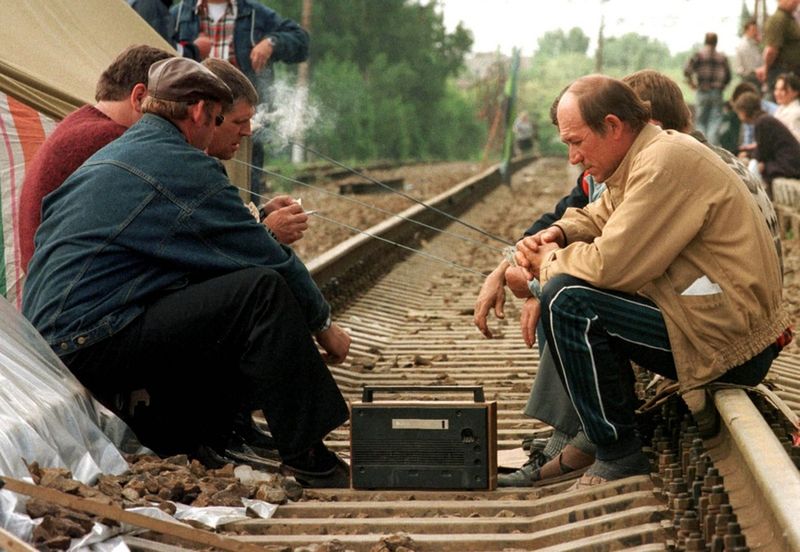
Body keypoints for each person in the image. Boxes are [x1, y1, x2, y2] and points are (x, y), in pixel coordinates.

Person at [21, 57, 351, 487]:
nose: (217, 131)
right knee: (260, 291)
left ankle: (204, 434)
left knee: (225, 289)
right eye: (217, 119)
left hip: (60, 334)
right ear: (197, 112)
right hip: (86, 338)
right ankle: (308, 455)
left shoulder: (130, 149)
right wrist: (324, 325)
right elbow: (269, 257)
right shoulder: (179, 163)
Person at [484, 70, 786, 487]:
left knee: (569, 299)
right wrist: (560, 232)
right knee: (566, 288)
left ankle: (616, 451)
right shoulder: (645, 156)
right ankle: (588, 438)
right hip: (711, 322)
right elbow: (600, 214)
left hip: (728, 342)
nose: (573, 157)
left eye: (576, 142)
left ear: (612, 126)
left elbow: (611, 266)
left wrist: (548, 262)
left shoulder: (664, 162)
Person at [18, 45, 173, 274]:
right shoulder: (110, 139)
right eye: (172, 105)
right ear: (140, 97)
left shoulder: (81, 123)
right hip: (74, 291)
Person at [170, 0, 310, 196]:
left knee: (245, 188)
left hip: (241, 120)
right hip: (194, 119)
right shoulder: (178, 14)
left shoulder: (254, 13)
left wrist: (271, 43)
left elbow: (301, 41)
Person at [203, 58, 308, 245]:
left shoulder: (203, 163)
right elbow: (217, 251)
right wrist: (269, 233)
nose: (248, 132)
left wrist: (262, 213)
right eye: (238, 122)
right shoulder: (196, 170)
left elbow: (224, 229)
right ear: (208, 115)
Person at [733, 90, 800, 196]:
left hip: (789, 164)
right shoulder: (764, 120)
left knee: (759, 168)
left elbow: (762, 153)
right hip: (789, 161)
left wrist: (748, 154)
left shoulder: (762, 122)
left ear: (744, 111)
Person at [684, 32, 732, 145]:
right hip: (717, 93)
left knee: (701, 121)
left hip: (702, 91)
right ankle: (713, 149)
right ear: (716, 42)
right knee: (715, 122)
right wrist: (722, 85)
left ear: (705, 41)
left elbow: (686, 70)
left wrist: (692, 82)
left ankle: (701, 146)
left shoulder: (699, 55)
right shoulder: (722, 57)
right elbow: (728, 76)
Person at [756, 0, 800, 100]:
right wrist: (766, 69)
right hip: (782, 71)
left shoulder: (790, 19)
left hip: (792, 72)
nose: (795, 2)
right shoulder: (778, 19)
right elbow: (771, 50)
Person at [734, 19, 763, 88]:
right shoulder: (742, 45)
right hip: (749, 79)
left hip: (758, 79)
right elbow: (739, 68)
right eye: (753, 30)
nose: (755, 32)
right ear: (746, 31)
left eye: (756, 30)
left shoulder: (755, 44)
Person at [773, 72, 800, 143]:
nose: (777, 93)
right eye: (776, 89)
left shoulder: (796, 114)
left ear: (795, 92)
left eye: (782, 90)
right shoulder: (780, 109)